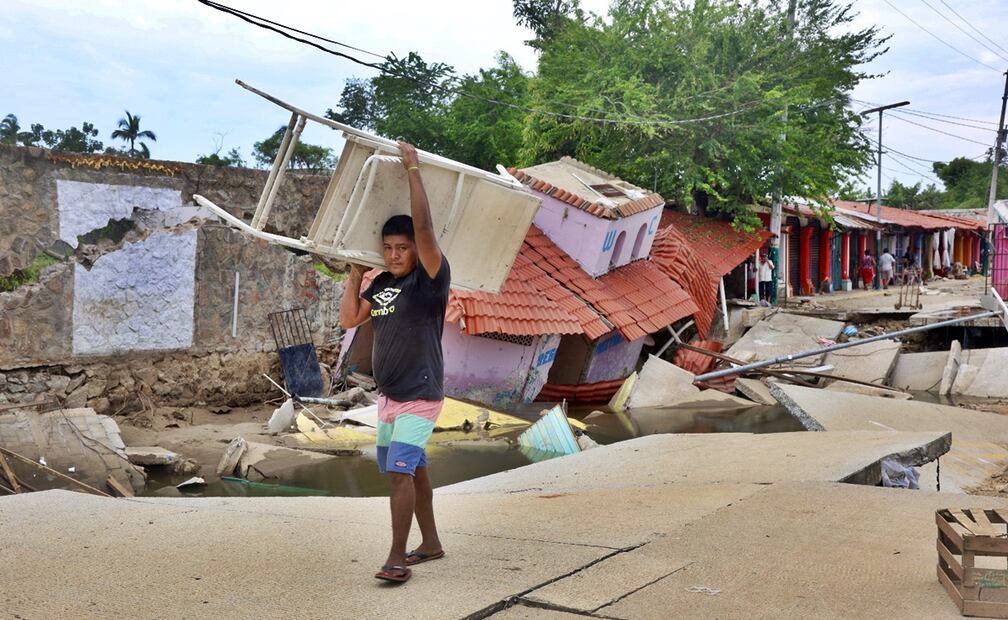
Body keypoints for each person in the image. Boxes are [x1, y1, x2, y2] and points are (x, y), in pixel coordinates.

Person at [339, 142, 451, 584]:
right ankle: (432, 544)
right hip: (388, 398)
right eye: (387, 248)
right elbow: (351, 318)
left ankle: (396, 557)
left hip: (421, 394)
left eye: (401, 248)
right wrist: (353, 274)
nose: (393, 255)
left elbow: (424, 228)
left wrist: (412, 168)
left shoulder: (431, 279)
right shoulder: (382, 282)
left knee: (398, 476)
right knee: (413, 469)